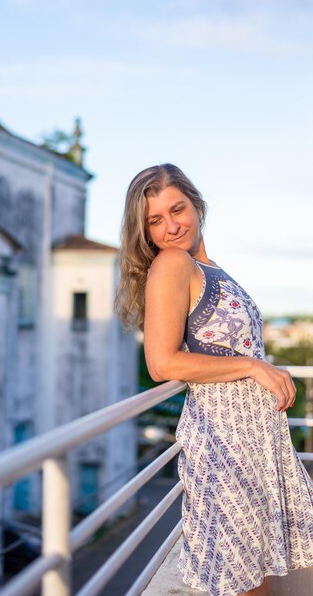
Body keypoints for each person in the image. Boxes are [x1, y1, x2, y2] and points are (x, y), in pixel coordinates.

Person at [115, 163, 313, 596]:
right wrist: (254, 366)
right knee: (241, 582)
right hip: (225, 446)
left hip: (253, 443)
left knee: (255, 578)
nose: (170, 226)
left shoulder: (210, 268)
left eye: (177, 209)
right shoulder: (172, 263)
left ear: (197, 205)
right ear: (145, 233)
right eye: (155, 220)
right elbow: (162, 363)